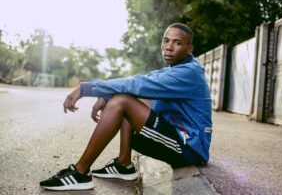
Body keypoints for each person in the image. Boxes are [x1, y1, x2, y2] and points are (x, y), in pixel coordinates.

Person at [39, 23, 212, 191]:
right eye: (166, 41)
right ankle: (123, 164)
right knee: (125, 97)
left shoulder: (189, 73)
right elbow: (139, 83)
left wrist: (87, 88)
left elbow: (137, 84)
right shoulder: (174, 69)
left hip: (189, 148)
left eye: (177, 43)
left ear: (189, 49)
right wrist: (106, 96)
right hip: (178, 136)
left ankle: (80, 173)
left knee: (122, 101)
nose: (168, 47)